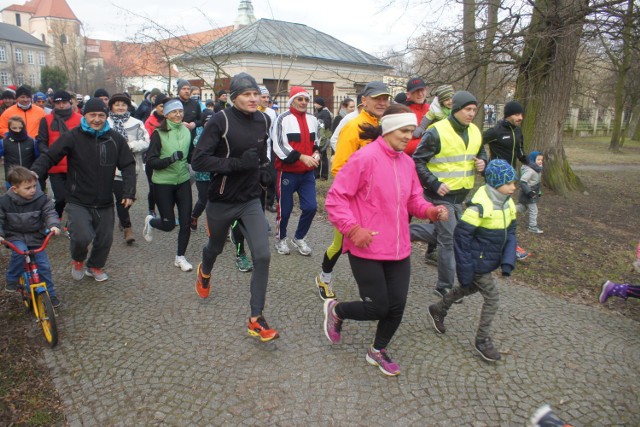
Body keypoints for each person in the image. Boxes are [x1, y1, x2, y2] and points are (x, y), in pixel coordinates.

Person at [322, 104, 448, 376]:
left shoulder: (407, 163)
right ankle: (338, 311)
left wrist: (430, 211)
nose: (408, 136)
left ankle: (377, 350)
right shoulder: (364, 158)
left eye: (411, 130)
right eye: (404, 130)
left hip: (399, 248)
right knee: (378, 306)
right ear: (390, 128)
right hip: (366, 246)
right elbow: (335, 199)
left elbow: (414, 199)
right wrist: (353, 229)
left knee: (397, 305)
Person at [191, 72, 278, 342]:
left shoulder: (264, 119)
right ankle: (204, 272)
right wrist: (238, 164)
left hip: (250, 199)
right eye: (247, 94)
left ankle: (256, 319)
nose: (254, 99)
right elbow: (199, 161)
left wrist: (265, 171)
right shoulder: (221, 121)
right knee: (215, 247)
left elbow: (262, 153)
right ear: (233, 98)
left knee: (262, 255)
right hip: (222, 199)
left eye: (256, 94)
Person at [31, 98, 136, 282]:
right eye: (92, 115)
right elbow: (50, 156)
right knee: (82, 236)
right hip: (78, 199)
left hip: (104, 200)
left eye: (101, 115)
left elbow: (127, 165)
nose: (97, 119)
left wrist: (129, 192)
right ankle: (78, 259)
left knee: (105, 240)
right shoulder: (73, 136)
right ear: (84, 115)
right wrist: (34, 173)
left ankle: (94, 266)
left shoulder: (115, 139)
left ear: (106, 116)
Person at [427, 159, 518, 362]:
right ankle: (482, 340)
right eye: (510, 182)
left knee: (468, 289)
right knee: (492, 298)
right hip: (476, 262)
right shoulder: (478, 208)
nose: (514, 187)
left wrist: (508, 261)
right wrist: (466, 269)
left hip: (488, 260)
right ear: (496, 183)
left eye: (514, 183)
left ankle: (438, 308)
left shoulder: (507, 203)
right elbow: (461, 239)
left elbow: (511, 232)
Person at [316, 82, 391, 300]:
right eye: (377, 98)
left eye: (385, 98)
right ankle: (324, 277)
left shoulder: (385, 126)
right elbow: (339, 167)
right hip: (353, 200)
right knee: (340, 245)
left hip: (377, 200)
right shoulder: (354, 126)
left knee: (373, 242)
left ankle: (371, 289)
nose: (382, 102)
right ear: (364, 101)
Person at [413, 91, 488, 301]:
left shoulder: (475, 131)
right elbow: (417, 160)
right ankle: (444, 287)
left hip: (461, 196)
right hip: (439, 196)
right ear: (456, 109)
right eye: (468, 109)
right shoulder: (436, 131)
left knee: (445, 234)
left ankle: (403, 231)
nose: (471, 113)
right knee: (450, 239)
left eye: (474, 109)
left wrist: (483, 163)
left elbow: (480, 152)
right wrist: (434, 183)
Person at [142, 98, 193, 272]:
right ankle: (151, 222)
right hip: (163, 183)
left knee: (186, 222)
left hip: (183, 180)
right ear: (166, 114)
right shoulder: (159, 133)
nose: (178, 115)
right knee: (169, 224)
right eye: (174, 112)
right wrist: (170, 159)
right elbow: (151, 162)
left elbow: (191, 156)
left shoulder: (187, 132)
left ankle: (180, 257)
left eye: (180, 111)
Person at [0, 166, 62, 306]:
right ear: (15, 189)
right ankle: (12, 279)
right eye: (27, 188)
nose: (33, 190)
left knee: (43, 266)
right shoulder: (4, 202)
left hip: (35, 236)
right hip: (15, 236)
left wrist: (54, 225)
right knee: (20, 254)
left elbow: (49, 213)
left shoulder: (41, 199)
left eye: (34, 186)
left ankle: (50, 294)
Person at [271, 86, 320, 256]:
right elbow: (278, 146)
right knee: (284, 210)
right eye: (300, 99)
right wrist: (301, 157)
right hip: (287, 172)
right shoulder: (282, 119)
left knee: (311, 207)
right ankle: (280, 238)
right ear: (292, 100)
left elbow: (317, 143)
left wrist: (316, 153)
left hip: (307, 174)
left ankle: (299, 237)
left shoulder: (313, 119)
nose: (304, 102)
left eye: (306, 99)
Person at [409, 84, 455, 264]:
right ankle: (400, 235)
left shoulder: (453, 113)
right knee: (416, 203)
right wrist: (413, 133)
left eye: (423, 90)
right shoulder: (433, 113)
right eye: (447, 98)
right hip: (423, 163)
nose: (450, 101)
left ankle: (432, 249)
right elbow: (421, 128)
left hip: (443, 164)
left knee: (435, 210)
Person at [483, 100, 529, 260]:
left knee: (505, 211)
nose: (520, 117)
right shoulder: (495, 131)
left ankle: (505, 244)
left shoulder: (517, 131)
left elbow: (520, 151)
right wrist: (485, 165)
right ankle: (502, 244)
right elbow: (477, 143)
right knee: (496, 211)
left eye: (521, 114)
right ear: (508, 115)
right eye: (517, 114)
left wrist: (530, 162)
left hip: (510, 179)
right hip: (496, 179)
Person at [108, 93, 150, 244]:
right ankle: (127, 227)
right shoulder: (106, 123)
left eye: (123, 104)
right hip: (109, 168)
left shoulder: (136, 123)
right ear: (111, 106)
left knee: (127, 199)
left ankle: (122, 218)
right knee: (120, 198)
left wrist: (129, 146)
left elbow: (146, 142)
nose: (120, 107)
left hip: (130, 166)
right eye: (117, 104)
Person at [35, 90, 83, 219]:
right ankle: (57, 215)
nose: (61, 105)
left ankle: (70, 224)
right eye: (58, 103)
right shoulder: (46, 120)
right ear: (53, 103)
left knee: (74, 197)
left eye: (64, 102)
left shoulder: (80, 119)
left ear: (70, 102)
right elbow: (42, 141)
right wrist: (50, 154)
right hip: (55, 166)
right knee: (61, 197)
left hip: (75, 165)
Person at [0, 116, 44, 188]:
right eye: (14, 128)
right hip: (12, 179)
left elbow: (39, 159)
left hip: (30, 177)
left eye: (20, 128)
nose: (18, 131)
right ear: (9, 128)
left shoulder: (32, 142)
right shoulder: (3, 143)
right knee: (13, 198)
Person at [143, 93, 168, 217]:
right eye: (161, 106)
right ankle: (151, 209)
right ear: (156, 107)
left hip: (167, 159)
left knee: (166, 189)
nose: (163, 109)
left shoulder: (172, 120)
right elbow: (147, 141)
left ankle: (166, 212)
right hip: (153, 159)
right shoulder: (150, 122)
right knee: (153, 187)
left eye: (166, 106)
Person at [517, 151, 544, 234]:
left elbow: (535, 182)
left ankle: (506, 209)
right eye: (538, 159)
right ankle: (532, 227)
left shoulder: (537, 169)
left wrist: (538, 192)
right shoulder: (530, 170)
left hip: (532, 193)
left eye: (541, 159)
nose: (540, 161)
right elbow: (523, 181)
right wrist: (529, 192)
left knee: (522, 208)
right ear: (532, 160)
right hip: (528, 194)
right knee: (534, 210)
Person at [402, 77, 430, 155]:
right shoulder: (403, 112)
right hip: (411, 161)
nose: (420, 94)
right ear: (408, 94)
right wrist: (428, 142)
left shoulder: (431, 109)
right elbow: (403, 145)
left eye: (422, 90)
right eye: (416, 91)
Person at [174, 79, 202, 145]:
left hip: (191, 138)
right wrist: (180, 124)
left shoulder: (195, 104)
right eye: (184, 89)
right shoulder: (173, 103)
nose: (186, 91)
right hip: (176, 138)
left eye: (188, 89)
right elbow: (167, 120)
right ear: (179, 91)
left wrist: (195, 124)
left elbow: (201, 120)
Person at [313, 96, 333, 180]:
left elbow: (327, 124)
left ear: (320, 104)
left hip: (324, 137)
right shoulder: (317, 112)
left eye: (316, 103)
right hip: (318, 137)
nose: (314, 104)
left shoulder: (325, 113)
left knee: (323, 156)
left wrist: (320, 124)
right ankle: (316, 174)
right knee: (317, 155)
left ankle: (324, 175)